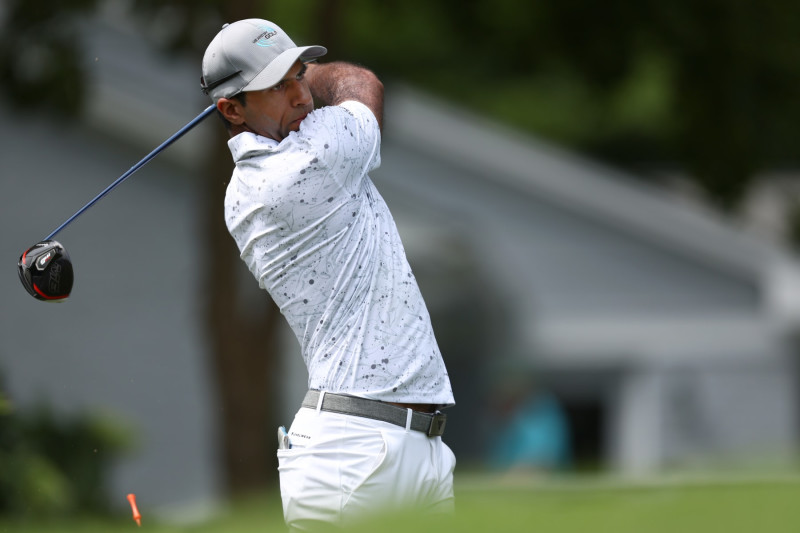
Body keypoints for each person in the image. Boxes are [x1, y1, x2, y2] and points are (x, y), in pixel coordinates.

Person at [200, 19, 456, 531]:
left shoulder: (248, 185)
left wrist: (281, 75)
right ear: (231, 109)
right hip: (353, 454)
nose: (300, 96)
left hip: (406, 444)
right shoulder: (305, 164)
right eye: (278, 85)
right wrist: (313, 73)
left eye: (299, 75)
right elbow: (362, 86)